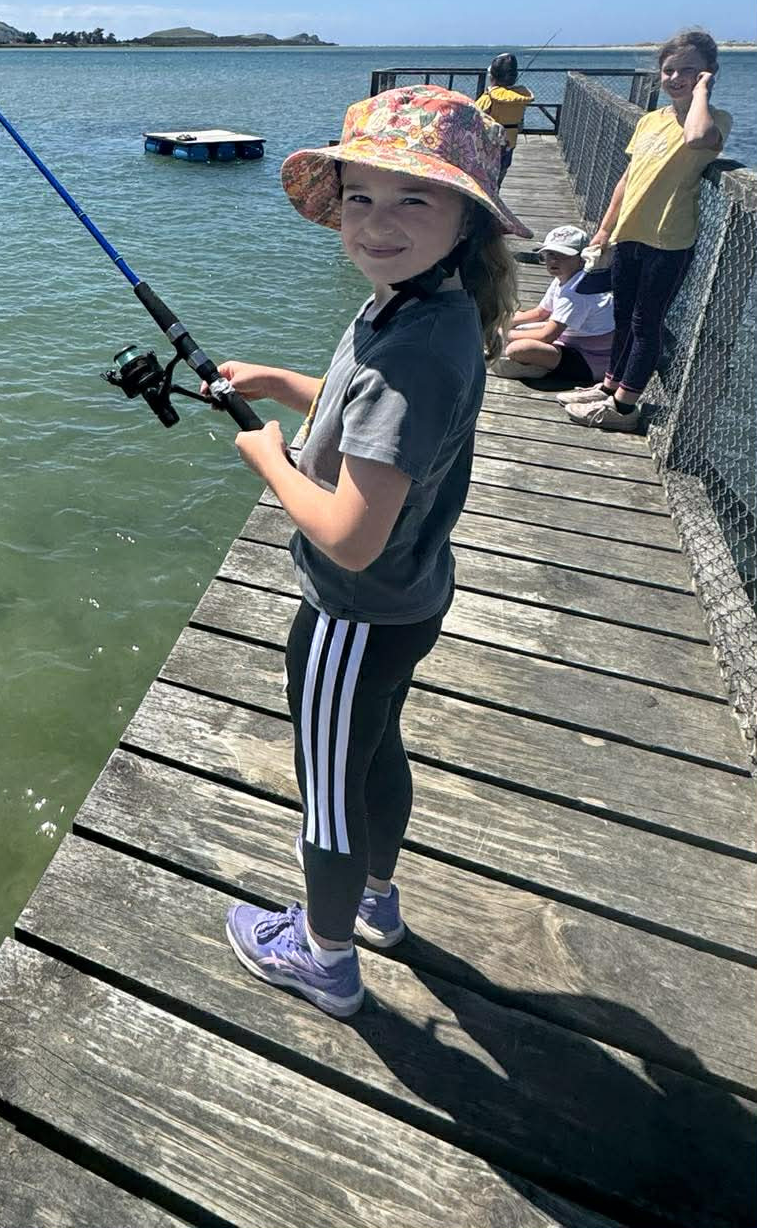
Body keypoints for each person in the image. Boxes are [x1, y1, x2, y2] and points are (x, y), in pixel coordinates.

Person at [214, 85, 528, 1017]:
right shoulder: (426, 307)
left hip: (352, 615)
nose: (378, 223)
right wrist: (284, 383)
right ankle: (376, 903)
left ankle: (325, 956)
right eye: (360, 198)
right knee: (376, 752)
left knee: (329, 795)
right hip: (410, 602)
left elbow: (350, 538)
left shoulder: (410, 348)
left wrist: (270, 462)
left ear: (465, 219)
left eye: (412, 200)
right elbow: (368, 418)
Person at [561, 29, 730, 432]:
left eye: (688, 71)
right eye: (669, 70)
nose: (675, 78)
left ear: (708, 72)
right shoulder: (650, 121)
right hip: (630, 233)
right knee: (622, 317)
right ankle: (609, 386)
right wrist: (604, 229)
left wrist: (702, 92)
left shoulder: (714, 119)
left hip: (668, 239)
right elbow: (627, 178)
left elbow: (697, 137)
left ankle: (624, 408)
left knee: (645, 323)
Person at [493, 224, 614, 383]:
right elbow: (540, 313)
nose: (553, 260)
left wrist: (504, 334)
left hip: (592, 359)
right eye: (549, 254)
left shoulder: (577, 292)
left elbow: (546, 336)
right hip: (570, 338)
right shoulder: (564, 277)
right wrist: (500, 322)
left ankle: (541, 368)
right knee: (519, 326)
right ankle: (536, 364)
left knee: (518, 348)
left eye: (562, 255)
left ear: (582, 258)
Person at [474, 53, 534, 177]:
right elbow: (520, 125)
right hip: (508, 144)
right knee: (500, 174)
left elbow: (473, 117)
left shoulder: (488, 98)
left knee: (483, 176)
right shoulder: (518, 98)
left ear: (492, 76)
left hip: (488, 145)